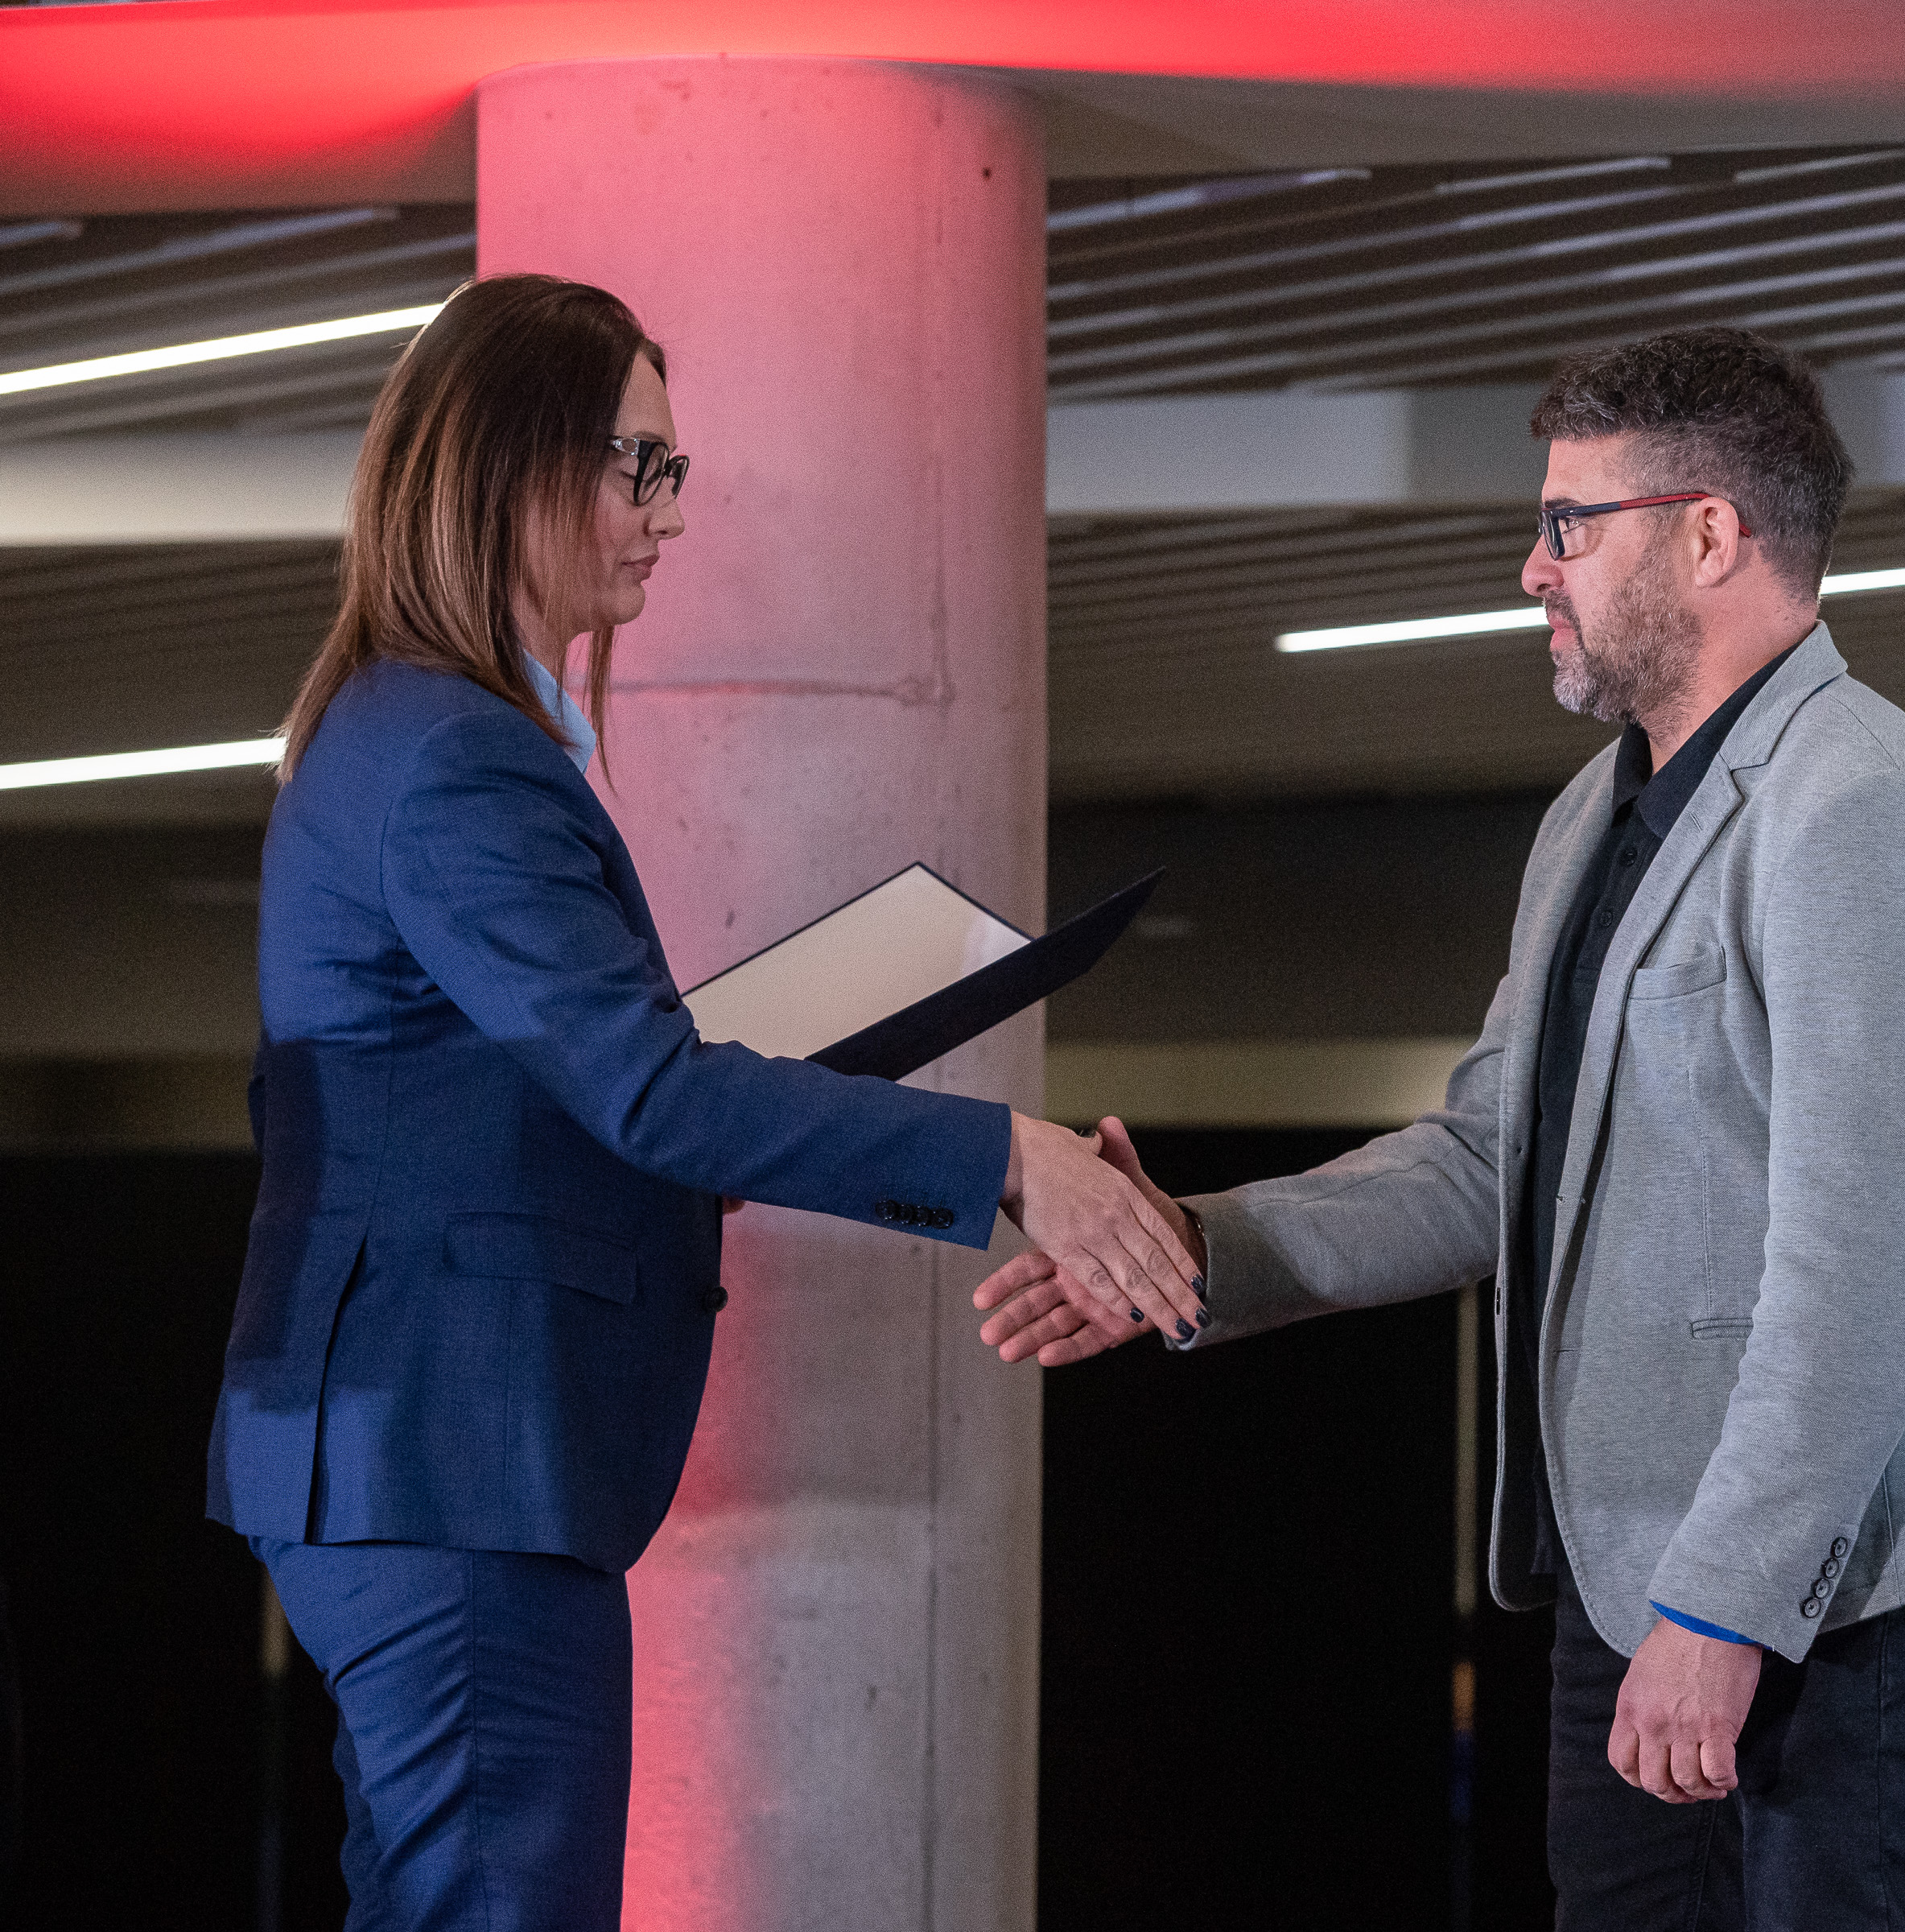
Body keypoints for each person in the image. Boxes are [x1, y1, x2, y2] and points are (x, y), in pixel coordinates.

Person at [979, 326, 1905, 1930]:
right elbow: (1491, 1155)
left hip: (1819, 1600)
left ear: (1710, 534)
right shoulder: (1589, 816)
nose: (1531, 568)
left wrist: (1726, 1605)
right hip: (1626, 1586)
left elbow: (1875, 1258)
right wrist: (1195, 1248)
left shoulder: (1858, 799)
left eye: (1570, 524)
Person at [207, 274, 1202, 1932]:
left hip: (425, 1461)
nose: (669, 513)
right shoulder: (452, 751)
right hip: (454, 1462)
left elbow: (514, 1101)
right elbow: (647, 1091)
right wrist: (1008, 1159)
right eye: (641, 466)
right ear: (515, 462)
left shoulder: (419, 730)